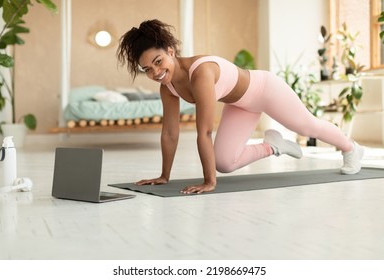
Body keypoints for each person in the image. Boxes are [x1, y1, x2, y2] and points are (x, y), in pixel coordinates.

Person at [116, 19, 364, 195]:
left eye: (158, 62)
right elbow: (170, 133)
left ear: (170, 51)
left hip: (265, 89)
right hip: (239, 104)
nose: (156, 72)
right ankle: (274, 145)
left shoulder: (200, 73)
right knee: (224, 162)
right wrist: (164, 176)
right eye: (148, 69)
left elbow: (204, 132)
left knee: (307, 126)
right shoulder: (167, 87)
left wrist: (209, 182)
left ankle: (351, 148)